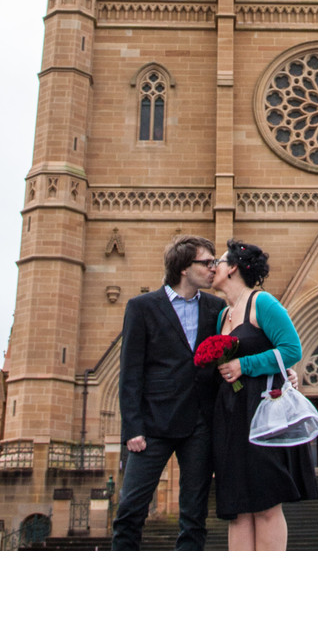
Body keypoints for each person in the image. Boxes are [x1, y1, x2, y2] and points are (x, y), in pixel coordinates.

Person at [112, 235, 224, 550]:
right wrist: (132, 427)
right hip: (153, 426)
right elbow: (130, 372)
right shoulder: (142, 307)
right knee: (130, 510)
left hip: (199, 425)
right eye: (207, 262)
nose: (213, 269)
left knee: (194, 515)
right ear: (184, 268)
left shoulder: (216, 308)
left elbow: (235, 351)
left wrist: (283, 370)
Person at [213, 239, 318, 550]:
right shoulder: (223, 316)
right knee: (238, 509)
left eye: (218, 262)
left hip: (262, 412)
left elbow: (292, 349)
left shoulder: (263, 303)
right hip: (231, 414)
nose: (213, 268)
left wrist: (244, 365)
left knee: (266, 505)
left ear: (232, 268)